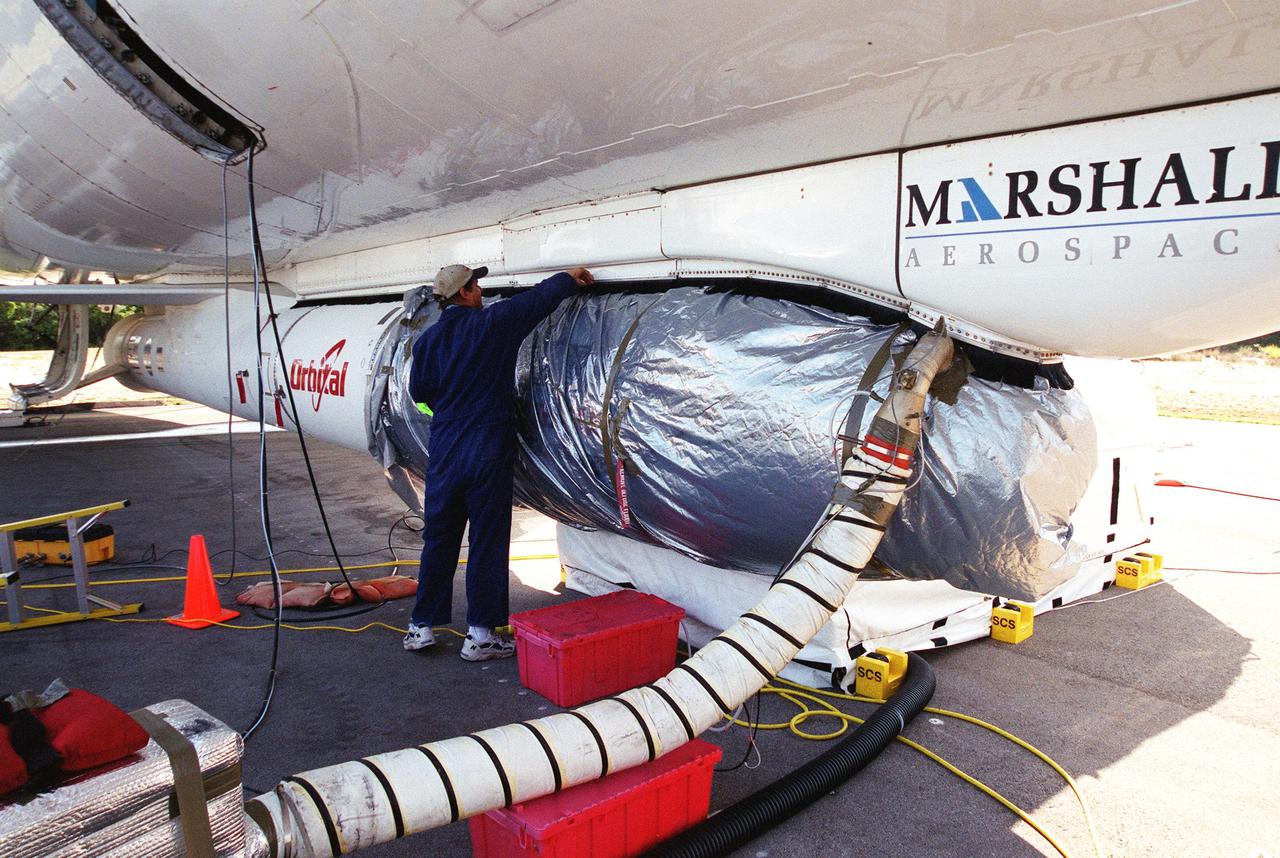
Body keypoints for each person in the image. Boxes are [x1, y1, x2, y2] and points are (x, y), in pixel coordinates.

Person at [404, 263, 594, 660]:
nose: (481, 290)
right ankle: (480, 634)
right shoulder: (490, 326)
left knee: (439, 536)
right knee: (487, 538)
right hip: (486, 447)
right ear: (465, 293)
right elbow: (535, 301)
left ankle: (420, 626)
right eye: (477, 285)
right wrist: (569, 278)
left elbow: (419, 391)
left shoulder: (427, 342)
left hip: (445, 448)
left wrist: (449, 407)